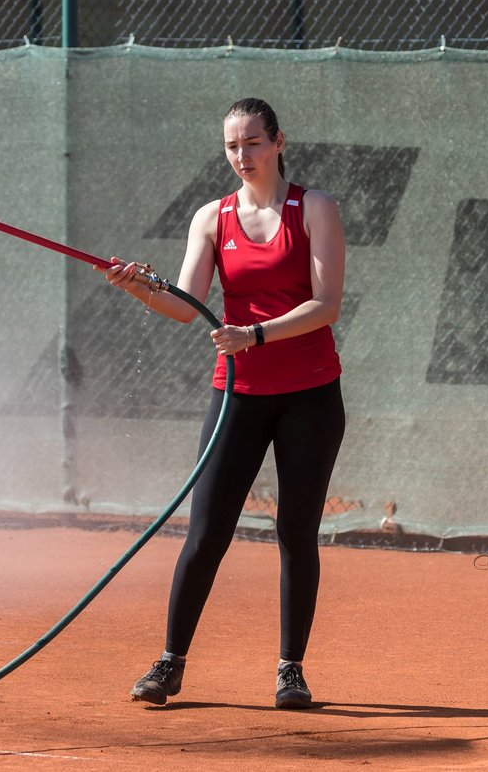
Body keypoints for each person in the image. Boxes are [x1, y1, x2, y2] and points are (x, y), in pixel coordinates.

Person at [103, 97, 346, 710]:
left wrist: (256, 335)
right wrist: (138, 289)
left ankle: (290, 670)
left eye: (254, 143)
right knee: (207, 530)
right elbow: (186, 305)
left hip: (310, 397)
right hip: (237, 392)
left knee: (296, 532)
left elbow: (326, 306)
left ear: (279, 142)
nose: (243, 156)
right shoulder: (212, 217)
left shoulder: (314, 209)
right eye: (233, 146)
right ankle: (170, 662)